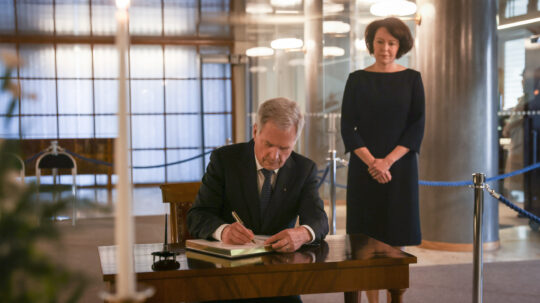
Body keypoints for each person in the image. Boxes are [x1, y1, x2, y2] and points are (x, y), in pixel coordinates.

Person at [187, 97, 329, 303]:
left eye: (284, 148)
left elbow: (319, 219)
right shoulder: (225, 160)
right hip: (227, 275)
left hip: (278, 277)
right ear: (255, 132)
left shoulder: (304, 169)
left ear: (295, 142)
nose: (274, 156)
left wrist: (303, 233)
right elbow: (197, 216)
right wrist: (224, 230)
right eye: (268, 144)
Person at [340, 17, 425, 303]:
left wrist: (386, 161)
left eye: (392, 43)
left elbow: (417, 126)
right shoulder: (356, 80)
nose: (385, 48)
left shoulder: (412, 78)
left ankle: (394, 298)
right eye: (380, 42)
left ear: (400, 45)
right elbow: (347, 127)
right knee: (364, 239)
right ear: (371, 44)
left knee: (394, 237)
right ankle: (371, 300)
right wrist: (372, 162)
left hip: (399, 169)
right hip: (364, 170)